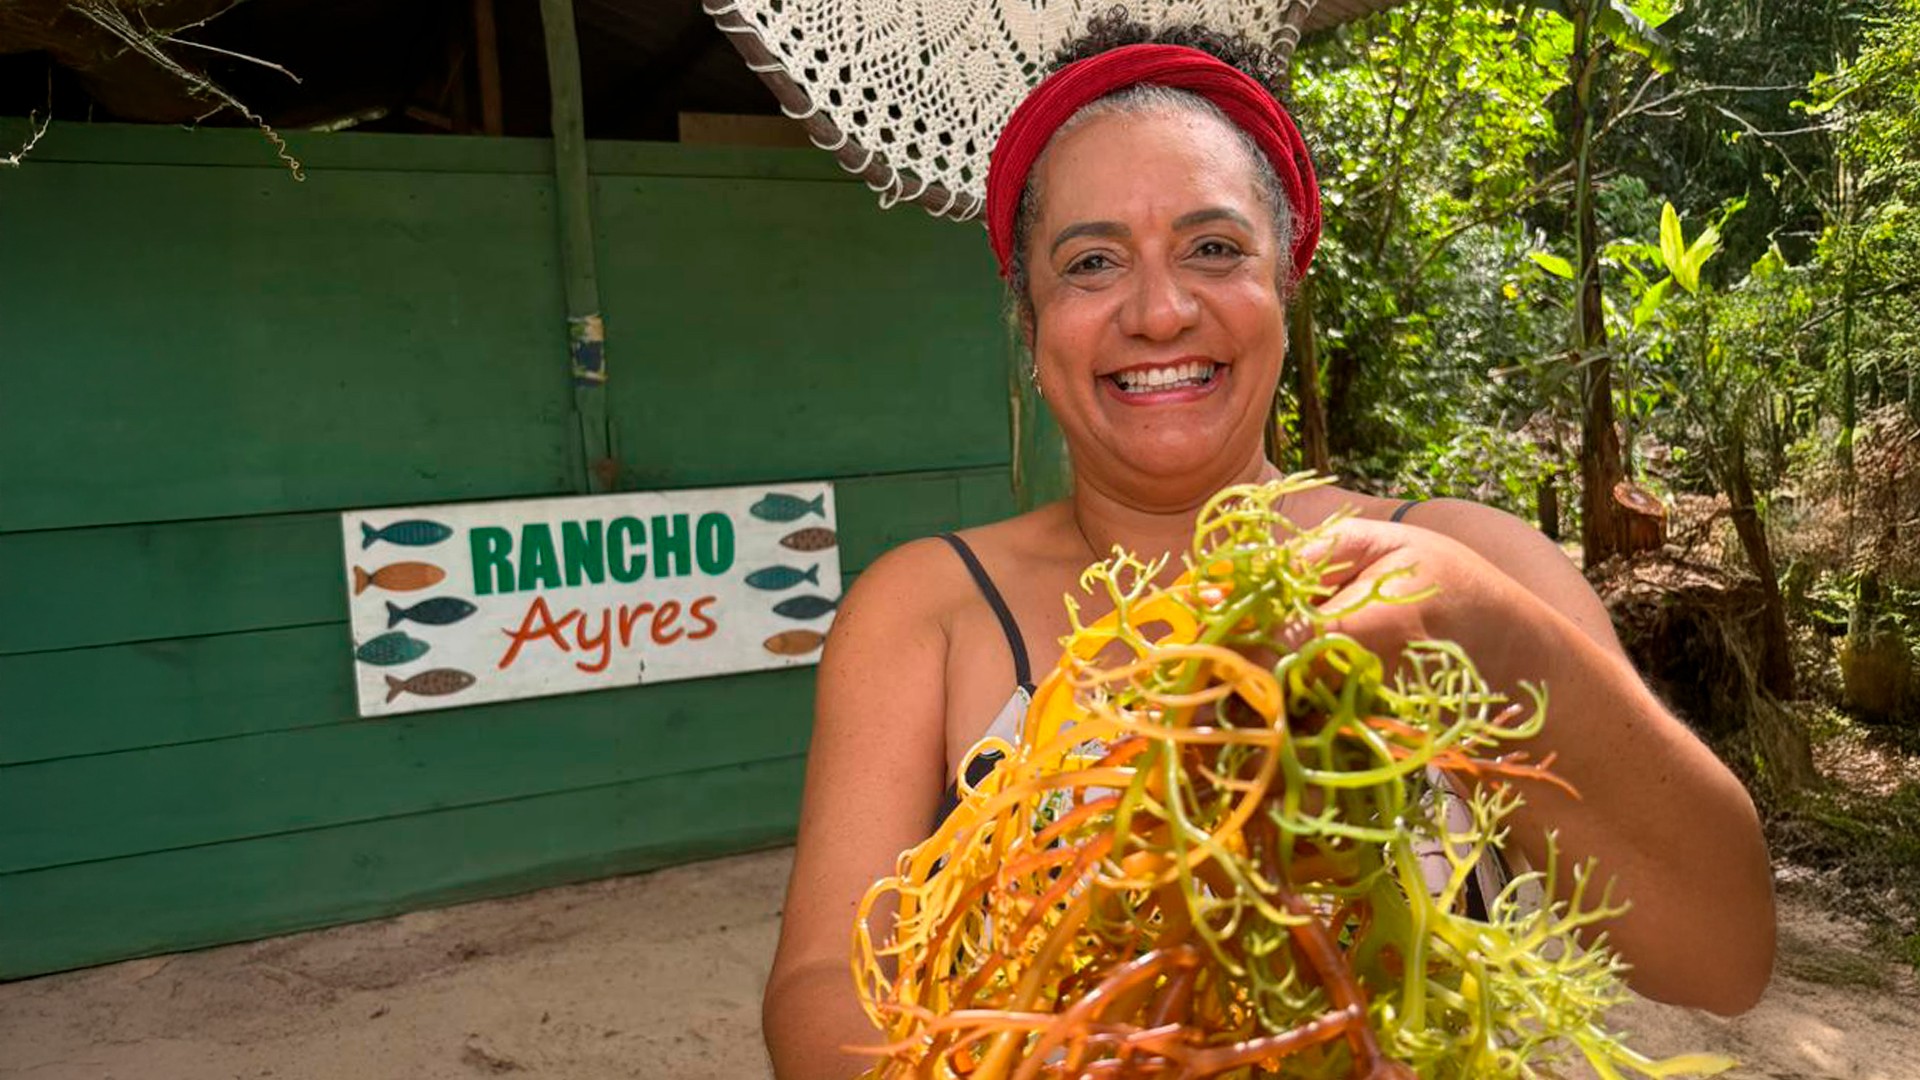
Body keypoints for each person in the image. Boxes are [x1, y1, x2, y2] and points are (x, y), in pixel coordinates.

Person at [762, 15, 1775, 1079]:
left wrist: (1491, 636)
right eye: (1092, 262)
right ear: (1030, 323)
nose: (1159, 311)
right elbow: (823, 982)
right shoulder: (929, 607)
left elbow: (1723, 958)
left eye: (1213, 248)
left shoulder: (1461, 566)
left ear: (1286, 281)